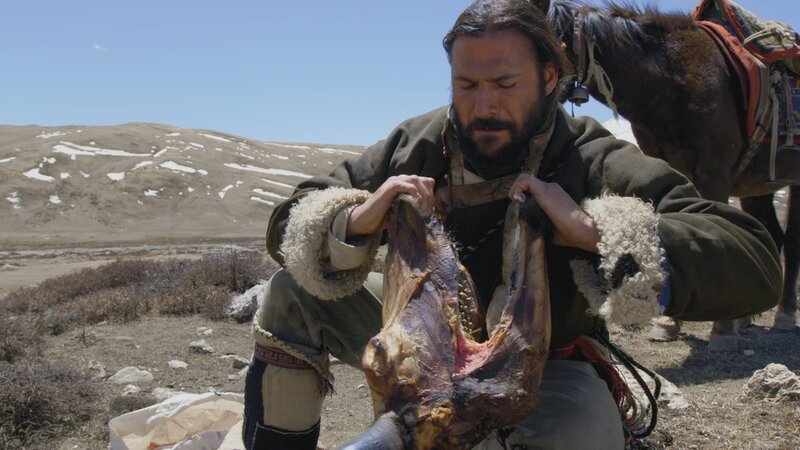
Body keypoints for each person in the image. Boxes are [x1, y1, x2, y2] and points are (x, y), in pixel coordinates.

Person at [242, 0, 782, 448]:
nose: (483, 104)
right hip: (419, 338)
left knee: (584, 434)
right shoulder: (417, 143)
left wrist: (595, 231)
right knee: (291, 293)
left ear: (550, 78)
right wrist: (358, 218)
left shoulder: (590, 155)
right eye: (467, 84)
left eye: (504, 82)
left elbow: (752, 257)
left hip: (549, 363)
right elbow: (293, 218)